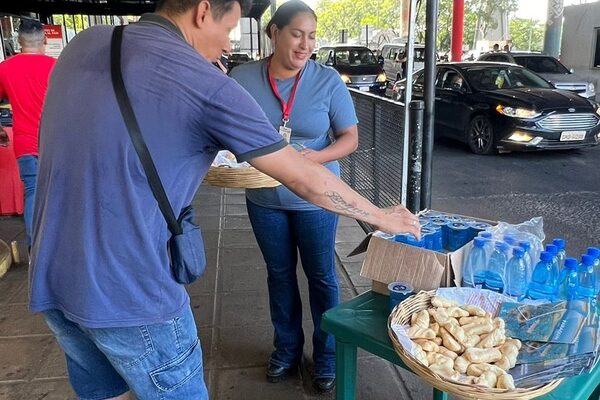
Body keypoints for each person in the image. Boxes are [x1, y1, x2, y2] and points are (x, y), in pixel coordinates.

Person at [28, 0, 421, 399]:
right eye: (230, 28)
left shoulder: (87, 42)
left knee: (103, 393)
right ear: (202, 12)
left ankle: (323, 356)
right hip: (131, 293)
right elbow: (303, 179)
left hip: (52, 277)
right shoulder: (205, 81)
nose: (229, 44)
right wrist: (378, 215)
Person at [230, 1, 358, 392]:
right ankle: (286, 348)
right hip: (264, 200)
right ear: (274, 33)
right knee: (279, 275)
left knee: (322, 277)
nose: (306, 44)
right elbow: (226, 130)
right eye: (297, 34)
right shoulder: (242, 77)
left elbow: (350, 139)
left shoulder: (327, 80)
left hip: (317, 199)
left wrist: (313, 157)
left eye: (312, 36)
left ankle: (328, 355)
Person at [0, 19, 56, 247]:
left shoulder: (5, 68)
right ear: (44, 39)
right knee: (60, 194)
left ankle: (36, 250)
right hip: (55, 143)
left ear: (18, 41)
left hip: (25, 143)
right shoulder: (56, 66)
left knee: (33, 192)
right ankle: (59, 246)